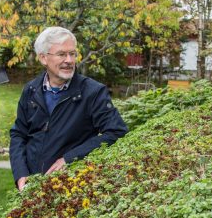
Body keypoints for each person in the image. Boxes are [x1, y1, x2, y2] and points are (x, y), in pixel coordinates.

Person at [10, 26, 128, 190]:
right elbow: (18, 134)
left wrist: (69, 159)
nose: (69, 60)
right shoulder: (31, 90)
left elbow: (116, 132)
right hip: (31, 186)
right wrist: (20, 174)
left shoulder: (92, 92)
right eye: (61, 54)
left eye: (72, 54)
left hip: (71, 187)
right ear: (43, 58)